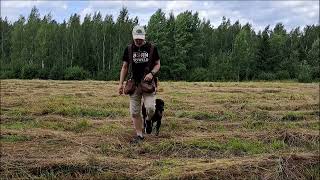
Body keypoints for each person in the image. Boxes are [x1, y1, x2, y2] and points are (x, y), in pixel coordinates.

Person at [118, 25, 161, 143]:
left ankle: (148, 120)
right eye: (136, 38)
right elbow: (125, 67)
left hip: (148, 84)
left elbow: (158, 64)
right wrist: (121, 84)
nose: (138, 40)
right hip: (134, 85)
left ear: (144, 37)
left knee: (151, 108)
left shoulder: (152, 48)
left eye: (140, 38)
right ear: (133, 36)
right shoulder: (129, 49)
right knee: (134, 112)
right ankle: (139, 136)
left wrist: (152, 74)